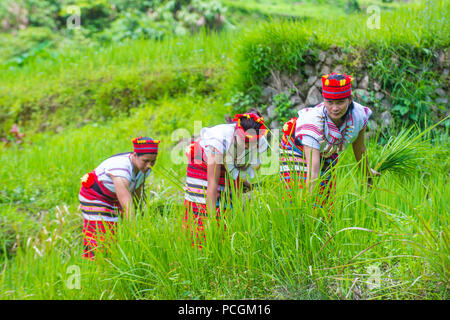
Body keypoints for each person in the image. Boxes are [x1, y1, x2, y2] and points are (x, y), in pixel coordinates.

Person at [280, 73, 380, 210]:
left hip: (326, 150)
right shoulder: (313, 123)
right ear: (323, 100)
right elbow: (313, 173)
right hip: (296, 149)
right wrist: (304, 209)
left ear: (350, 99)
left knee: (325, 203)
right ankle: (298, 220)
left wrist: (367, 173)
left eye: (340, 102)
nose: (334, 108)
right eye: (329, 102)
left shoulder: (358, 115)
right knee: (299, 195)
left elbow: (359, 148)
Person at [184, 109, 268, 248]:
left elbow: (249, 165)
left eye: (250, 144)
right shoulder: (218, 141)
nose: (247, 146)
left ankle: (221, 247)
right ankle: (198, 249)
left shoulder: (258, 138)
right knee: (202, 212)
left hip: (224, 164)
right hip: (202, 165)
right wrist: (211, 219)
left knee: (225, 211)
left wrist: (241, 182)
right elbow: (212, 185)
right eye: (245, 142)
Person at [78, 136, 160, 260]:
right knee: (101, 232)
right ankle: (95, 264)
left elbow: (136, 192)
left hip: (113, 196)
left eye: (153, 161)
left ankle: (109, 263)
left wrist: (139, 215)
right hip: (95, 195)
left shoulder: (145, 169)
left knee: (115, 232)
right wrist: (136, 233)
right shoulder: (121, 169)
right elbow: (127, 205)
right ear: (135, 155)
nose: (149, 165)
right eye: (145, 161)